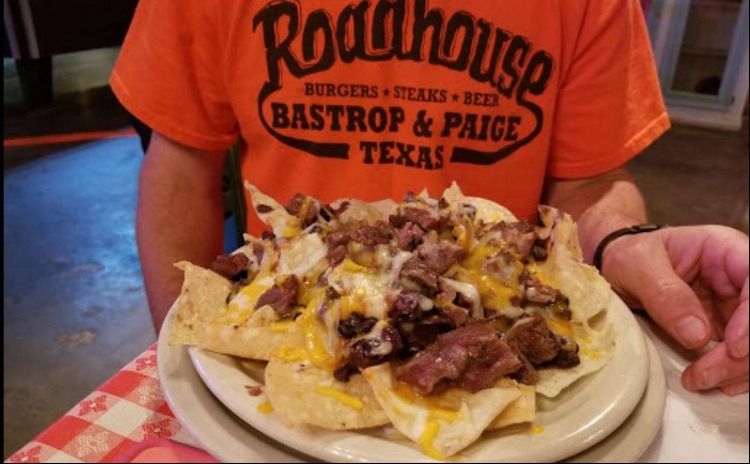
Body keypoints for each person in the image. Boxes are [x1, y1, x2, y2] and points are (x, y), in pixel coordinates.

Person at [110, 0, 748, 396]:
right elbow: (182, 166)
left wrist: (625, 241)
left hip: (492, 344)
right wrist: (188, 373)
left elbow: (588, 182)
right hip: (285, 346)